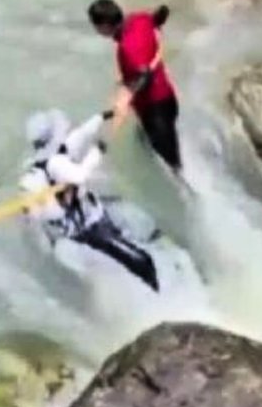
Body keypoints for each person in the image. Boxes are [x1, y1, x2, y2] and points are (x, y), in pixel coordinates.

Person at [20, 109, 160, 291]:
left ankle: (141, 252)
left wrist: (100, 118)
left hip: (89, 215)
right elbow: (79, 176)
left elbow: (79, 136)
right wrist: (97, 152)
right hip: (87, 228)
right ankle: (155, 292)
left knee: (125, 227)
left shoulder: (49, 160)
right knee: (141, 261)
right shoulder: (54, 165)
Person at [87, 0, 182, 173]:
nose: (97, 31)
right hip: (168, 100)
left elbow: (144, 76)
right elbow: (158, 17)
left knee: (172, 169)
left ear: (105, 26)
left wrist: (126, 94)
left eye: (97, 26)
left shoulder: (127, 47)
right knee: (144, 146)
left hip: (155, 111)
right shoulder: (138, 19)